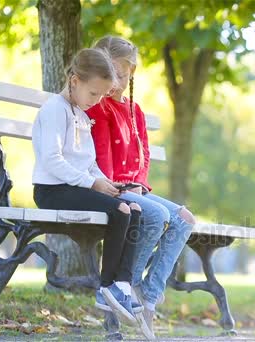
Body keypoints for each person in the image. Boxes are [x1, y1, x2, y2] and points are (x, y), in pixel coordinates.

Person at [87, 36, 195, 339]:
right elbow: (102, 156)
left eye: (125, 75)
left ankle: (147, 293)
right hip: (110, 188)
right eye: (114, 73)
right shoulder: (99, 107)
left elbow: (144, 155)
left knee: (185, 219)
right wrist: (122, 187)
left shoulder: (134, 111)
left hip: (136, 189)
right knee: (158, 215)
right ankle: (124, 285)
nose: (119, 81)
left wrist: (139, 185)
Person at [31, 47, 145, 328]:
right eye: (93, 93)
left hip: (76, 187)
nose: (96, 101)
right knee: (120, 210)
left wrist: (104, 181)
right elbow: (52, 160)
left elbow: (89, 162)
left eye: (101, 95)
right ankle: (106, 288)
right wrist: (92, 182)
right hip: (52, 190)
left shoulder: (81, 113)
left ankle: (123, 285)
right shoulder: (55, 110)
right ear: (74, 81)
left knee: (134, 208)